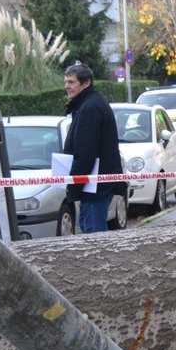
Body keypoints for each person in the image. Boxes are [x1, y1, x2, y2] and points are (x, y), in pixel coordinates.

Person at [62, 62, 126, 234]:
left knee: (93, 234)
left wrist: (73, 185)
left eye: (72, 82)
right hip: (96, 183)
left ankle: (103, 262)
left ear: (86, 82)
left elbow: (85, 153)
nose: (67, 86)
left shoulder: (88, 108)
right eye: (66, 82)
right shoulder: (91, 103)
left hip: (95, 185)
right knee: (90, 228)